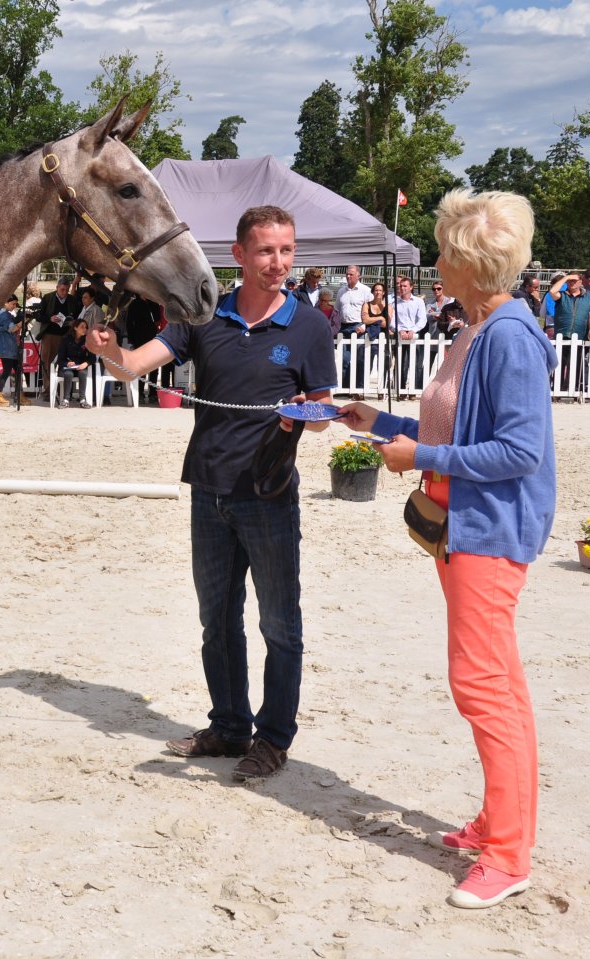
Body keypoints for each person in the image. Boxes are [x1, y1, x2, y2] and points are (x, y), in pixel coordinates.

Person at [337, 189, 555, 910]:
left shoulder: (508, 336)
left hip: (488, 529)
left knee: (482, 686)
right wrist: (379, 422)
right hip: (464, 525)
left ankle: (508, 855)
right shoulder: (479, 327)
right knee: (495, 684)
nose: (434, 263)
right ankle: (501, 824)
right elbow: (455, 428)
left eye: (442, 252)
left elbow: (519, 451)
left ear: (470, 263)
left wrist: (421, 455)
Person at [87, 204, 337, 782]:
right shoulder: (202, 315)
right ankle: (228, 727)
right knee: (217, 622)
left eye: (287, 250)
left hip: (269, 494)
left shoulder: (309, 325)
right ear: (239, 255)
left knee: (280, 625)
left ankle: (273, 739)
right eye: (267, 251)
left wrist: (305, 412)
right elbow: (132, 366)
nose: (279, 262)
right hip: (209, 491)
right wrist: (107, 351)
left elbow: (325, 409)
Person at [550, 272, 590, 396]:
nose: (572, 283)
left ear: (581, 282)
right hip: (562, 334)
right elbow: (552, 292)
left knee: (576, 364)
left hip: (579, 335)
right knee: (560, 364)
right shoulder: (562, 295)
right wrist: (566, 277)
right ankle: (557, 390)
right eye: (570, 281)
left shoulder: (587, 297)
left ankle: (574, 389)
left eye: (574, 281)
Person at [34, 277, 78, 403]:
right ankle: (48, 390)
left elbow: (77, 315)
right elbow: (38, 315)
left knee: (64, 362)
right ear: (57, 288)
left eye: (67, 290)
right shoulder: (48, 297)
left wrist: (72, 322)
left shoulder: (72, 300)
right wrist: (50, 318)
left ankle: (62, 391)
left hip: (66, 335)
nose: (64, 292)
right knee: (47, 362)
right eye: (62, 289)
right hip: (49, 334)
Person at [336, 265, 372, 393]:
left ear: (358, 276)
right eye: (347, 274)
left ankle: (357, 388)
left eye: (351, 274)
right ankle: (344, 387)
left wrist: (364, 325)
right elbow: (337, 310)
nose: (348, 276)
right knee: (343, 358)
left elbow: (372, 311)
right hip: (343, 326)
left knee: (359, 359)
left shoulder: (366, 291)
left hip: (358, 326)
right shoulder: (341, 291)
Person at [0, 293, 27, 407]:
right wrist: (24, 321)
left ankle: (18, 395)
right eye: (13, 304)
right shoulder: (3, 315)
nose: (14, 306)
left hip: (10, 347)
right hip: (6, 348)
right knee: (7, 371)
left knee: (18, 370)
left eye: (15, 304)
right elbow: (13, 329)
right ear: (5, 303)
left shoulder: (4, 314)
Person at [393, 275, 428, 391]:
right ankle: (401, 388)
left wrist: (413, 330)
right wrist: (400, 330)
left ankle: (414, 389)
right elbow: (392, 320)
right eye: (401, 286)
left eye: (405, 286)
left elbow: (422, 319)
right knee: (400, 363)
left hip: (414, 335)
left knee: (416, 363)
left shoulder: (418, 302)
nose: (402, 288)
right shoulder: (394, 303)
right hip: (400, 334)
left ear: (411, 287)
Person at [56, 318, 95, 408]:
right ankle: (65, 400)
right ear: (75, 328)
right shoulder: (66, 339)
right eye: (82, 327)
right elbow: (60, 359)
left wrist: (86, 364)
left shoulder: (87, 340)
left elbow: (92, 357)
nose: (85, 329)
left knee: (83, 373)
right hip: (67, 367)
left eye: (86, 327)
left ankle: (82, 400)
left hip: (80, 366)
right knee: (68, 374)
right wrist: (67, 364)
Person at [361, 280, 389, 397]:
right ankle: (362, 388)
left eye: (380, 290)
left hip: (383, 337)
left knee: (383, 364)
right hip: (370, 337)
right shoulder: (366, 304)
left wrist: (374, 320)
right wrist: (380, 318)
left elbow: (387, 323)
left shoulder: (388, 306)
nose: (378, 292)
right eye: (376, 290)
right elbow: (365, 320)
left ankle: (381, 390)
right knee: (366, 363)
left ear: (384, 292)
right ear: (372, 292)